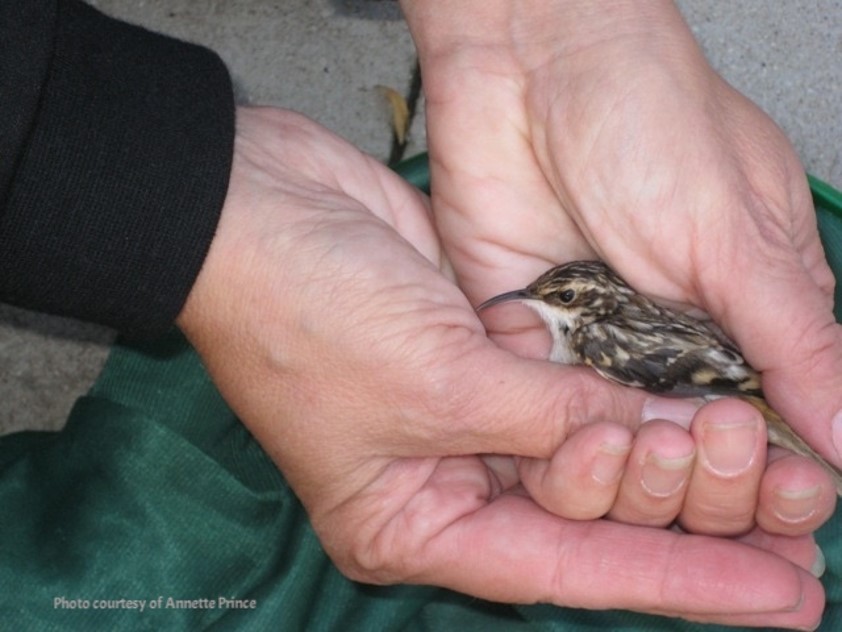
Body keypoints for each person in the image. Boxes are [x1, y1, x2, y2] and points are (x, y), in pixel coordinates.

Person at [1, 1, 840, 629]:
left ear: (585, 308)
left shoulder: (601, 341)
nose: (532, 303)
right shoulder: (599, 329)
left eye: (552, 298)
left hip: (721, 383)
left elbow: (688, 380)